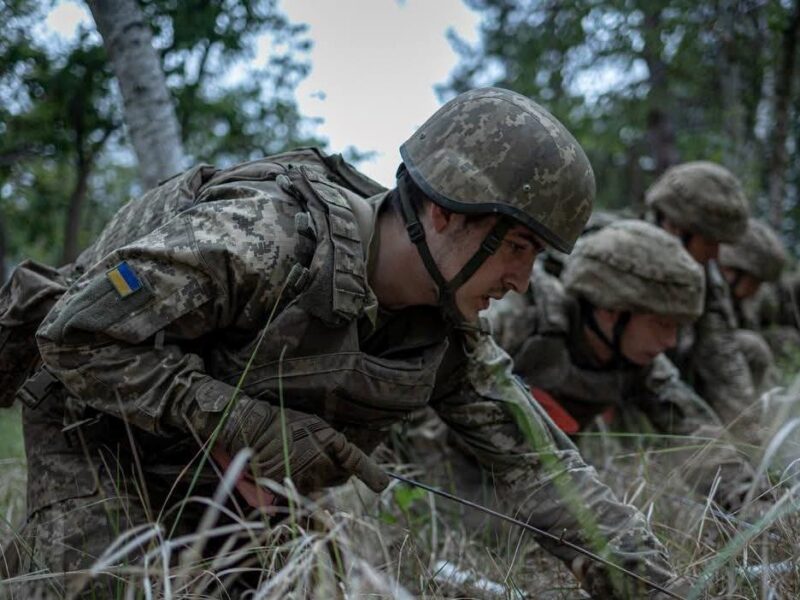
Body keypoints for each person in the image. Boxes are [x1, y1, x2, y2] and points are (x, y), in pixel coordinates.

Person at [2, 88, 686, 598]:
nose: (523, 278)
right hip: (94, 422)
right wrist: (235, 416)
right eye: (516, 245)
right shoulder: (264, 240)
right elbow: (74, 335)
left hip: (219, 483)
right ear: (445, 211)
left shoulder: (452, 342)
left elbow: (545, 473)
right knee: (110, 588)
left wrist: (658, 589)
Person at [488, 219, 760, 511]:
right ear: (610, 310)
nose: (670, 341)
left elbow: (695, 435)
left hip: (540, 472)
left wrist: (754, 506)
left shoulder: (642, 361)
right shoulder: (518, 321)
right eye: (662, 324)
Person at [644, 161, 756, 436]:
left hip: (671, 382)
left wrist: (751, 439)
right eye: (709, 242)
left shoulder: (705, 274)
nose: (716, 255)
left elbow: (721, 353)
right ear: (673, 227)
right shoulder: (619, 257)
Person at [718, 218, 789, 388]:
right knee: (752, 347)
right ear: (733, 269)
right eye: (755, 281)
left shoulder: (743, 303)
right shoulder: (707, 287)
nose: (756, 290)